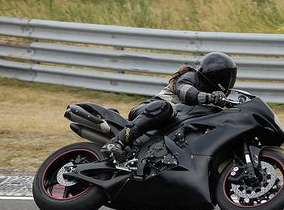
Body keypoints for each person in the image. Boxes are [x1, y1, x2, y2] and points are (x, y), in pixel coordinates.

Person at [101, 52, 237, 163]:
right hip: (148, 111)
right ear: (219, 75)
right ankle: (116, 143)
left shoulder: (211, 100)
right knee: (166, 108)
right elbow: (187, 93)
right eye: (229, 77)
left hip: (168, 126)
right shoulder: (191, 77)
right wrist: (210, 97)